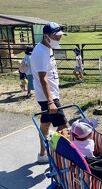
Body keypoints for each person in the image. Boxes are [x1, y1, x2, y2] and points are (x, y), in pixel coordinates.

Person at [30, 22, 68, 163]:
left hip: (49, 95)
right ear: (46, 36)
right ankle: (61, 158)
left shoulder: (48, 48)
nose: (59, 39)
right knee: (64, 126)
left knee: (45, 124)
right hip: (48, 97)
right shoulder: (40, 52)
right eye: (56, 37)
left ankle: (42, 155)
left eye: (60, 37)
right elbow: (43, 78)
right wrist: (51, 101)